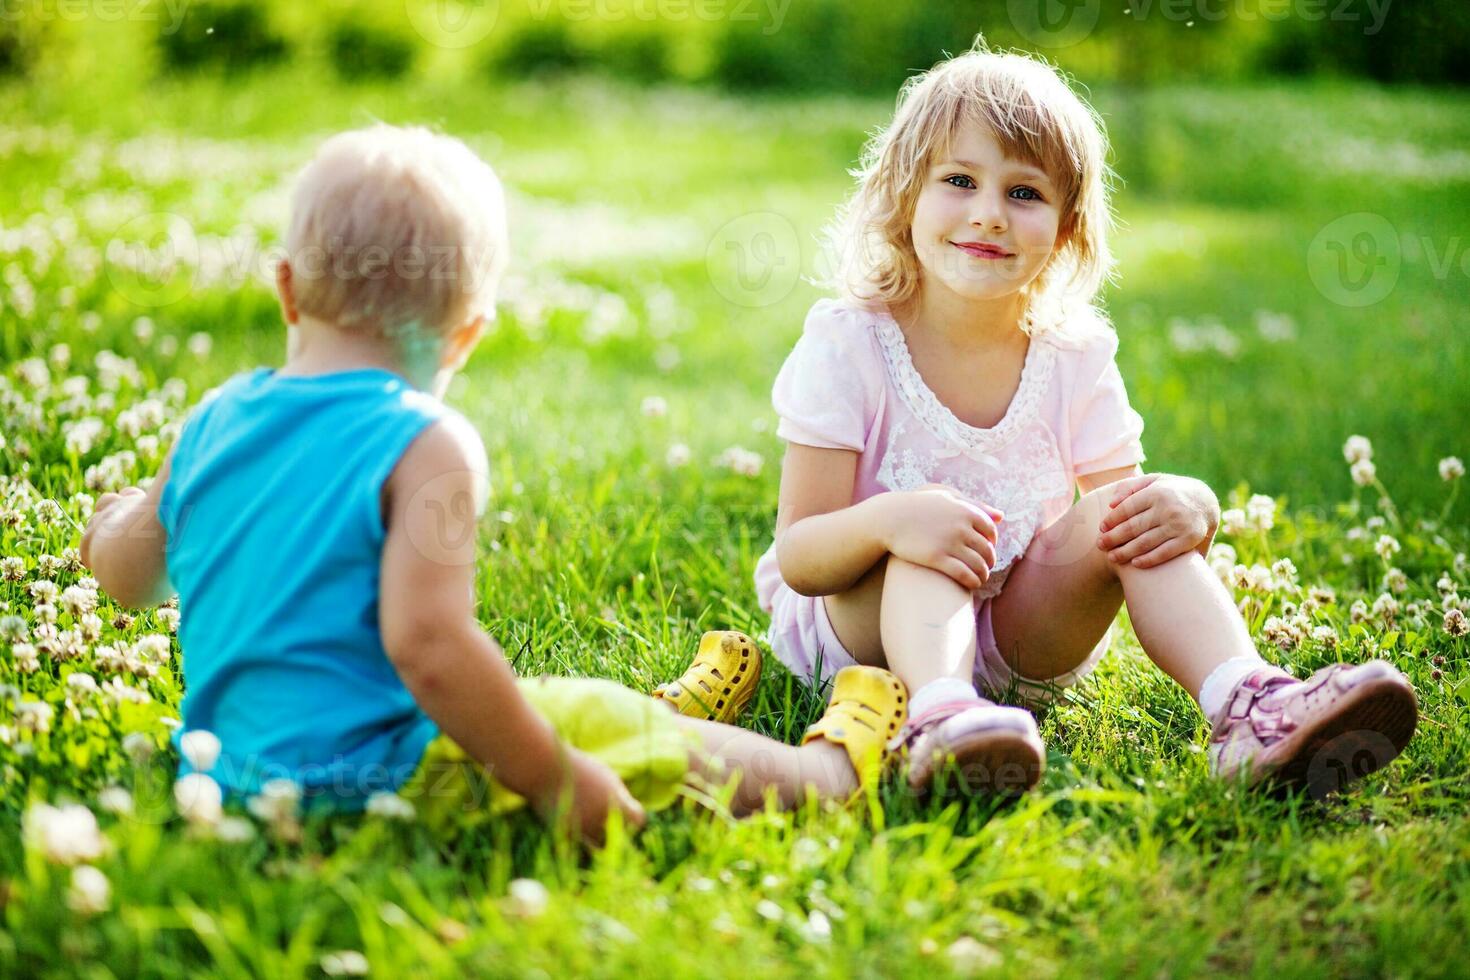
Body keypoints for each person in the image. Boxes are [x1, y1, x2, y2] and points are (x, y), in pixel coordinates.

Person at [79, 124, 907, 844]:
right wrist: (555, 781)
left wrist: (112, 523)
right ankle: (825, 778)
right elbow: (430, 648)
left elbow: (127, 575)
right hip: (386, 779)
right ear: (468, 333)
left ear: (286, 288)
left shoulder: (213, 423)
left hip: (231, 779)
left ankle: (678, 708)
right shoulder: (424, 442)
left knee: (548, 706)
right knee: (597, 723)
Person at [741, 42, 1417, 799]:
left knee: (1130, 512)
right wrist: (894, 522)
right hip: (867, 640)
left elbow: (1121, 522)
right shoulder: (852, 341)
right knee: (928, 542)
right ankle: (939, 720)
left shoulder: (1074, 353)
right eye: (959, 181)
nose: (990, 214)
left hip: (1019, 637)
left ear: (1065, 228)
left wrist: (1190, 506)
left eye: (1024, 193)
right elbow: (801, 553)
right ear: (905, 199)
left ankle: (1250, 704)